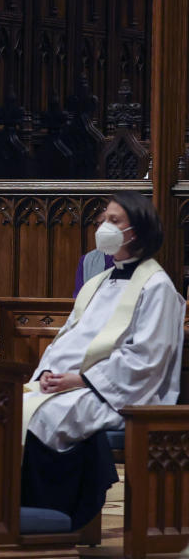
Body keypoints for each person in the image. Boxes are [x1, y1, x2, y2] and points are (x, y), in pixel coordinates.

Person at [21, 191, 184, 529]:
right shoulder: (96, 284)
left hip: (120, 395)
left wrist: (80, 380)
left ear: (136, 230)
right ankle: (13, 515)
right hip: (70, 385)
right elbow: (66, 338)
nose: (103, 227)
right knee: (8, 410)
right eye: (102, 220)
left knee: (43, 418)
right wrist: (48, 373)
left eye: (113, 221)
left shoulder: (158, 288)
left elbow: (147, 359)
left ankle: (55, 515)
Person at [72, 210, 113, 297]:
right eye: (98, 224)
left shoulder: (133, 258)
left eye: (106, 222)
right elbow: (79, 296)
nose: (101, 228)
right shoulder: (87, 260)